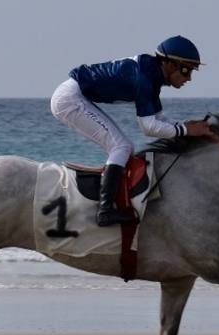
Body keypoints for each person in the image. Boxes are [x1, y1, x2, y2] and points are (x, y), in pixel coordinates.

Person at [50, 35, 210, 226]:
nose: (189, 78)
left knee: (123, 146)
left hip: (75, 96)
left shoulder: (152, 74)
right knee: (122, 147)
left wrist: (185, 126)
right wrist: (185, 130)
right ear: (169, 64)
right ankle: (105, 210)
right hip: (69, 100)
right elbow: (149, 127)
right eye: (186, 70)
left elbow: (158, 118)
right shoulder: (144, 79)